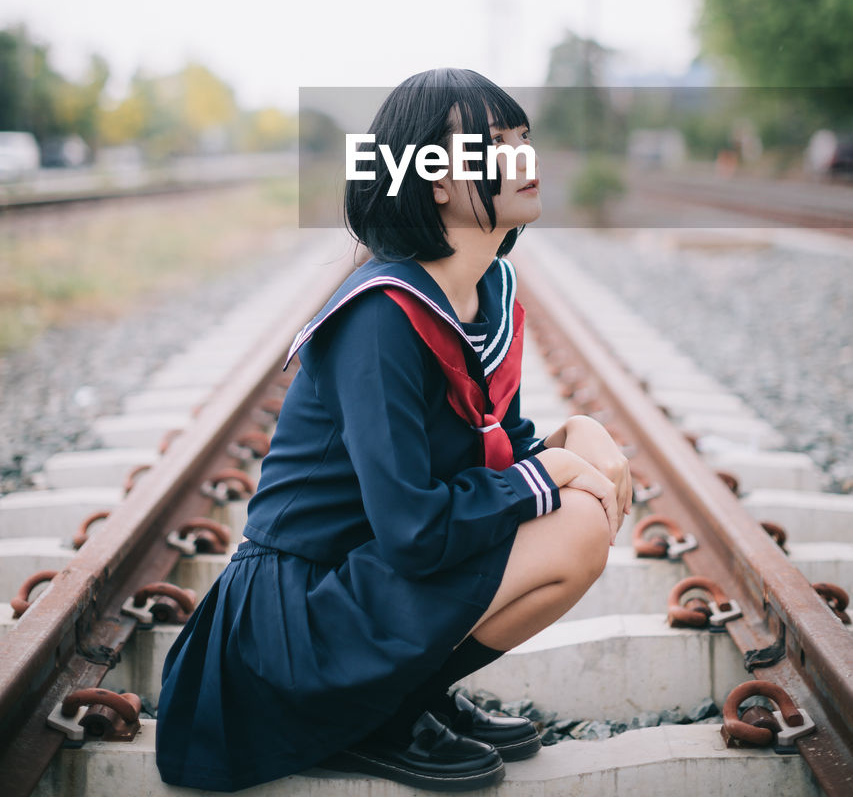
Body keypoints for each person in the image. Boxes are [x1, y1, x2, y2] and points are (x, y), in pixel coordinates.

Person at [155, 68, 632, 792]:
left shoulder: (481, 291)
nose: (523, 159)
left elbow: (490, 446)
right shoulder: (380, 315)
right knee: (574, 526)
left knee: (580, 510)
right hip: (293, 627)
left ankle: (407, 697)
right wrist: (549, 476)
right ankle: (368, 716)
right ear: (434, 178)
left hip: (366, 586)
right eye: (494, 144)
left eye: (523, 140)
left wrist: (574, 435)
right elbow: (413, 527)